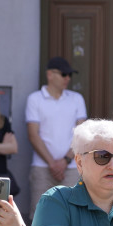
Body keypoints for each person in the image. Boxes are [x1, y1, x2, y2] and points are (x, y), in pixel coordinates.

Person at [25, 56, 87, 217]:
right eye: (63, 74)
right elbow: (33, 134)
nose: (67, 78)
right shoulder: (35, 99)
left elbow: (82, 133)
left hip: (72, 167)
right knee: (40, 216)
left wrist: (65, 161)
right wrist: (53, 163)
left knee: (74, 215)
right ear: (50, 74)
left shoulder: (76, 99)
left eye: (69, 75)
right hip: (42, 168)